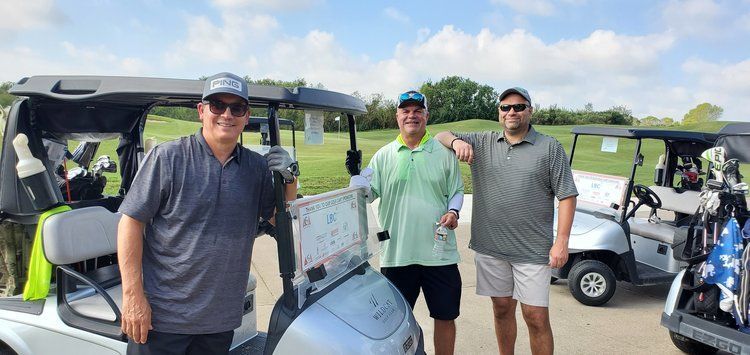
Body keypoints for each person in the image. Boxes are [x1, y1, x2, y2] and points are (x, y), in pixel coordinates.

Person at [117, 72, 298, 355]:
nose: (227, 114)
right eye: (217, 105)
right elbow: (131, 222)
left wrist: (289, 179)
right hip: (163, 318)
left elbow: (279, 218)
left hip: (220, 319)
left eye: (236, 108)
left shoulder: (255, 167)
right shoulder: (168, 158)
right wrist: (132, 297)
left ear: (246, 116)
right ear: (202, 111)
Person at [435, 87, 577, 355]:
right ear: (499, 113)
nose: (512, 112)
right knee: (501, 309)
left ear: (530, 111)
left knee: (535, 317)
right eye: (505, 107)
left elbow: (567, 196)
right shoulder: (483, 141)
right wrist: (456, 142)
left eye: (519, 107)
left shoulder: (549, 147)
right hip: (491, 247)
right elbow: (440, 134)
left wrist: (562, 241)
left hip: (533, 250)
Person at [354, 90, 464, 355]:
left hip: (440, 255)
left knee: (445, 316)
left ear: (426, 115)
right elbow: (368, 195)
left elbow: (456, 190)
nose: (411, 115)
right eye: (405, 111)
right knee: (396, 323)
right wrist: (356, 181)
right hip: (397, 254)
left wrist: (454, 211)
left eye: (417, 110)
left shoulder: (444, 152)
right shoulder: (383, 156)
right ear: (397, 116)